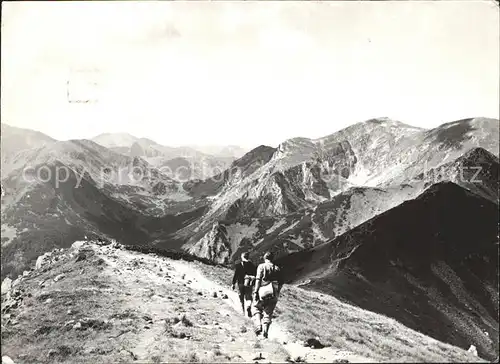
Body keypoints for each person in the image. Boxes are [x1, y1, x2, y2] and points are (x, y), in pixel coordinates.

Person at [252, 251, 284, 338]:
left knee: (256, 307)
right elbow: (281, 282)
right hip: (273, 292)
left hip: (262, 291)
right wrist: (277, 291)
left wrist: (255, 292)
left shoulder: (261, 266)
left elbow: (258, 279)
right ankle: (265, 331)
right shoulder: (277, 268)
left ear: (264, 258)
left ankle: (258, 325)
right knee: (268, 312)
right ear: (272, 259)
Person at [231, 252, 257, 317]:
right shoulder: (252, 265)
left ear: (242, 257)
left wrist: (233, 284)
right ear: (248, 257)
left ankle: (242, 313)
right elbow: (255, 275)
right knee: (248, 297)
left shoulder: (239, 265)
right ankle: (248, 306)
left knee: (241, 298)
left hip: (240, 284)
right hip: (248, 284)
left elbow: (235, 275)